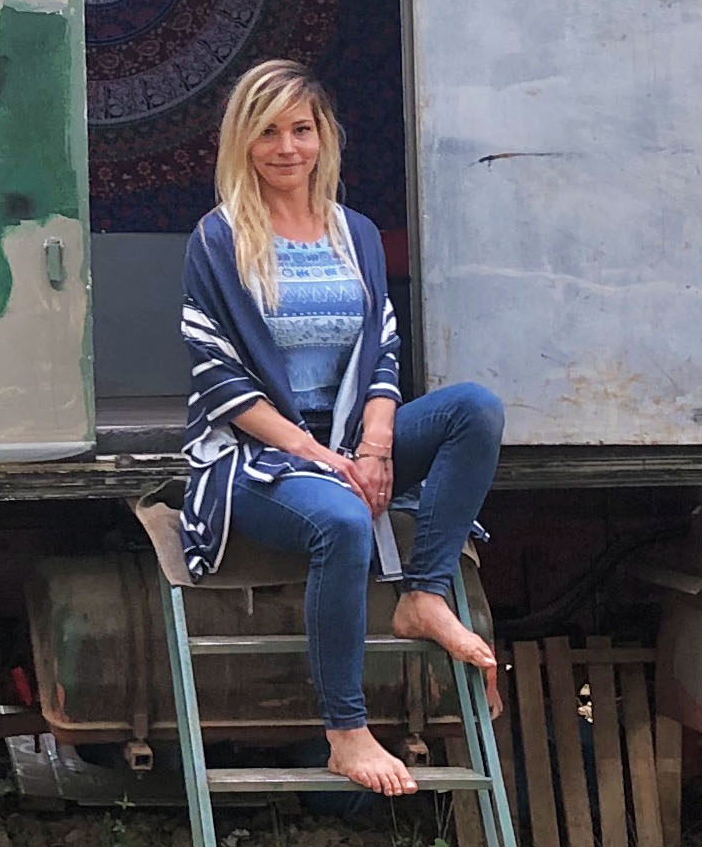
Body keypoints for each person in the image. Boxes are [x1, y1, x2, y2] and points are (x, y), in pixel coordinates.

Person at [174, 60, 503, 795]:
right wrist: (320, 456)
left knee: (473, 408)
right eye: (268, 132)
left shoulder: (352, 233)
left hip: (351, 440)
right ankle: (346, 733)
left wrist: (375, 446)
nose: (287, 147)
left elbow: (382, 347)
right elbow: (217, 379)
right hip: (258, 453)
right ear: (243, 142)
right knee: (344, 525)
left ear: (324, 136)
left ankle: (423, 596)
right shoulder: (219, 239)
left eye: (301, 129)